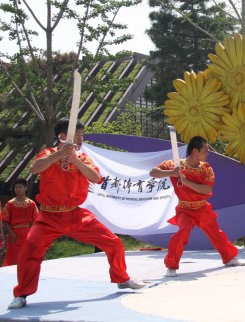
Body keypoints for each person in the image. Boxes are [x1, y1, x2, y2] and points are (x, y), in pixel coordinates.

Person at [7, 118, 145, 310]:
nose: (81, 140)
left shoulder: (83, 158)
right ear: (62, 136)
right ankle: (21, 294)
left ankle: (121, 278)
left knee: (113, 242)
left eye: (81, 136)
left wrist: (74, 160)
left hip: (76, 215)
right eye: (77, 136)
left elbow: (96, 178)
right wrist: (59, 155)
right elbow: (35, 168)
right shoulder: (48, 153)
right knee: (30, 251)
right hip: (49, 217)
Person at [149, 135, 245, 277]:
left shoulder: (206, 169)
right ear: (195, 151)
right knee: (183, 232)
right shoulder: (175, 165)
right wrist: (171, 173)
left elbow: (207, 190)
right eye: (205, 151)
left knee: (216, 233)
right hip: (185, 209)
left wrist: (186, 182)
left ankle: (229, 258)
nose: (207, 154)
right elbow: (153, 172)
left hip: (202, 208)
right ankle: (171, 266)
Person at [2, 178, 39, 266]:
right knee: (13, 258)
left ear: (25, 188)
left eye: (20, 187)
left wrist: (33, 235)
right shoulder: (10, 204)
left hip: (28, 233)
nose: (18, 189)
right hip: (14, 234)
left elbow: (36, 221)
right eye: (16, 187)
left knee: (27, 257)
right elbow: (5, 220)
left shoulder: (31, 203)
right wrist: (10, 232)